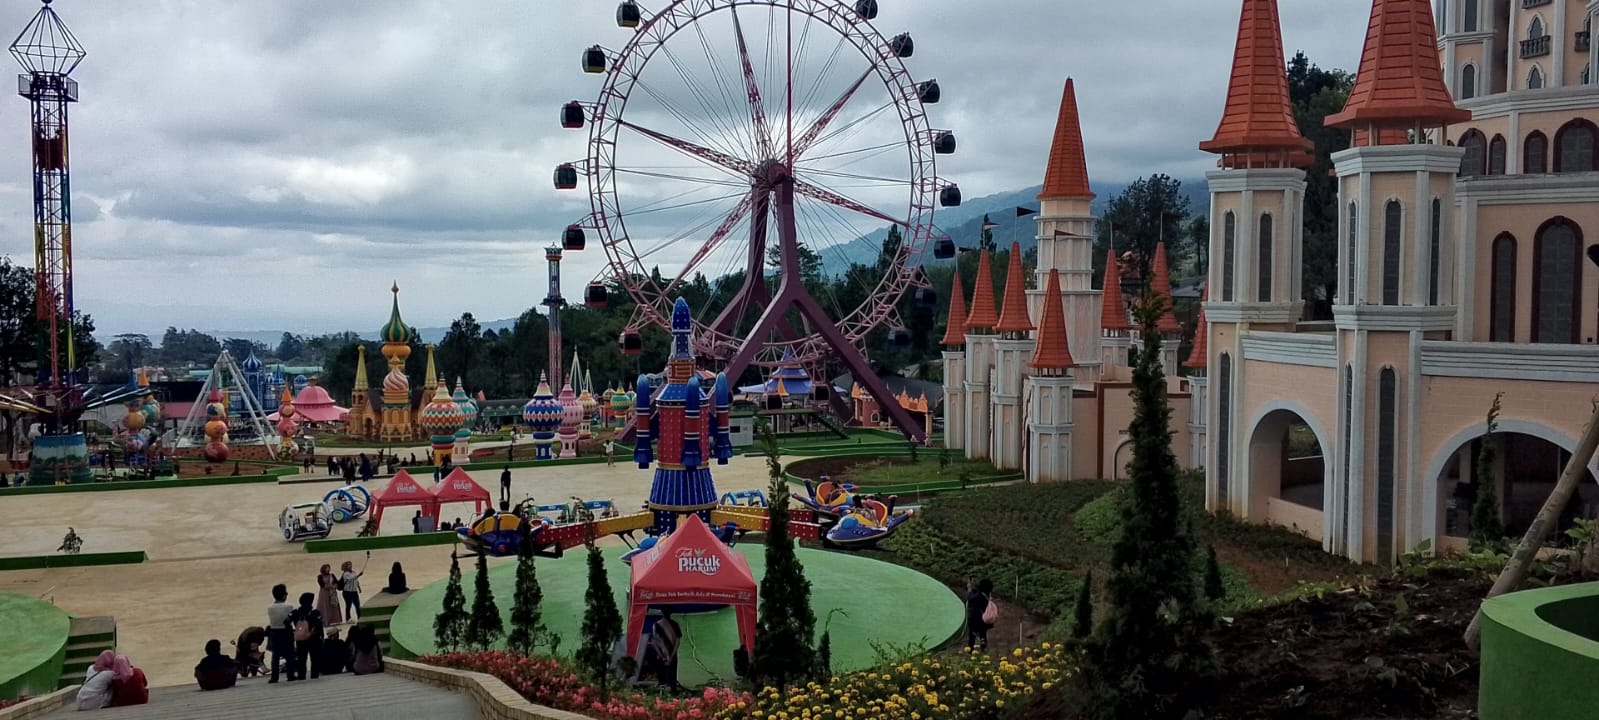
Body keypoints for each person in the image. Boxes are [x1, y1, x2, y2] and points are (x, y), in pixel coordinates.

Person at [288, 592, 325, 680]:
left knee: (301, 659)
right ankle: (314, 676)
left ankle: (301, 676)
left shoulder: (295, 612)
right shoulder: (315, 613)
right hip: (314, 638)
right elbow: (319, 626)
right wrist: (322, 636)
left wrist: (293, 631)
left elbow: (286, 622)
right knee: (315, 658)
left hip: (300, 639)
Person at [646, 609, 683, 691]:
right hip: (672, 655)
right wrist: (671, 656)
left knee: (662, 679)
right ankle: (673, 696)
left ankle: (662, 697)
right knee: (672, 679)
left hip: (661, 656)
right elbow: (677, 642)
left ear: (662, 612)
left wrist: (662, 656)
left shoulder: (656, 625)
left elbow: (655, 643)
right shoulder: (675, 624)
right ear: (671, 613)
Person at [266, 583, 296, 683]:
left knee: (275, 656)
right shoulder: (289, 606)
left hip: (274, 631)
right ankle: (290, 675)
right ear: (284, 595)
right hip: (286, 631)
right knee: (289, 654)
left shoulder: (270, 608)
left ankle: (274, 677)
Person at [964, 578, 995, 650]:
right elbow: (976, 593)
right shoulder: (986, 594)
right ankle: (983, 648)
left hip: (976, 620)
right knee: (982, 635)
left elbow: (970, 598)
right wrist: (972, 588)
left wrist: (969, 589)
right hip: (983, 620)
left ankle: (971, 650)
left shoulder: (979, 597)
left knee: (972, 636)